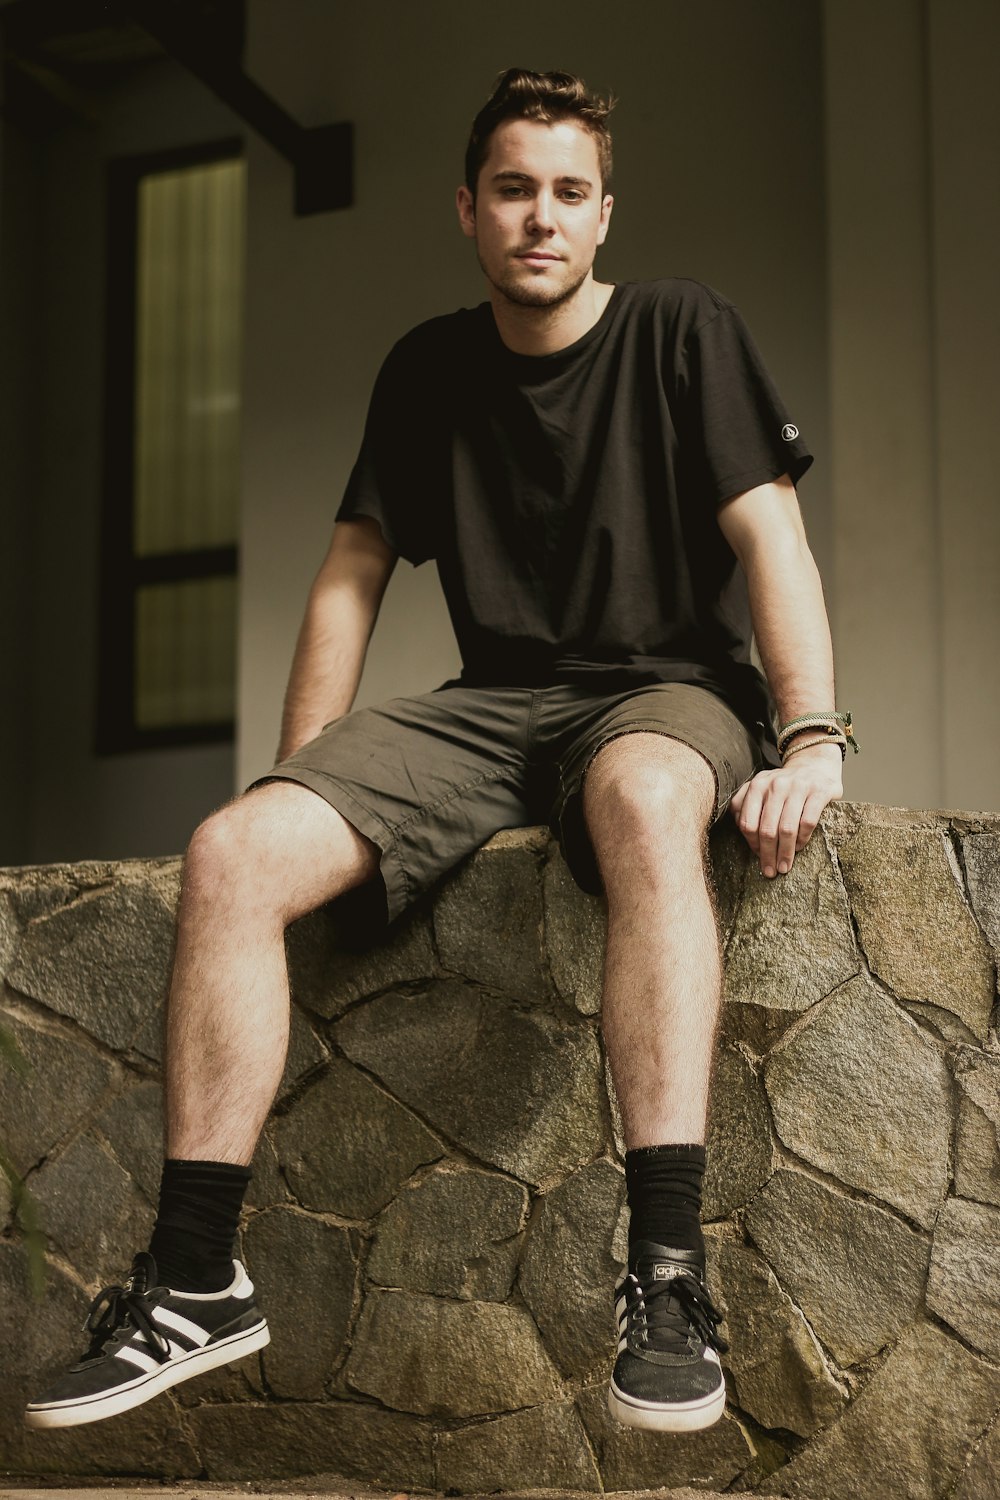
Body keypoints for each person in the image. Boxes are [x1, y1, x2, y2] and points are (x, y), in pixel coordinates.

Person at [26, 67, 851, 1438]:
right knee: (233, 849)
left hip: (661, 691)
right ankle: (194, 1281)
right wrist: (303, 773)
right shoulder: (426, 365)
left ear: (603, 219)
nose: (541, 217)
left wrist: (812, 733)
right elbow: (350, 577)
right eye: (514, 191)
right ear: (468, 209)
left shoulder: (679, 331)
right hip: (491, 706)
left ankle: (666, 1274)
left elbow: (771, 534)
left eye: (568, 194)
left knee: (649, 797)